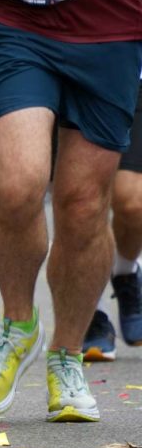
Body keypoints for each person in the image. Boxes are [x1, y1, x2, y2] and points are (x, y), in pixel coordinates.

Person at [0, 0, 142, 423]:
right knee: (18, 183)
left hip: (113, 30)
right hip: (22, 24)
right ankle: (18, 327)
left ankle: (68, 354)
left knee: (83, 206)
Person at [81, 78, 142, 363]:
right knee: (83, 201)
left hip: (135, 73)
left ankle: (125, 272)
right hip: (81, 69)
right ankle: (93, 312)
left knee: (133, 201)